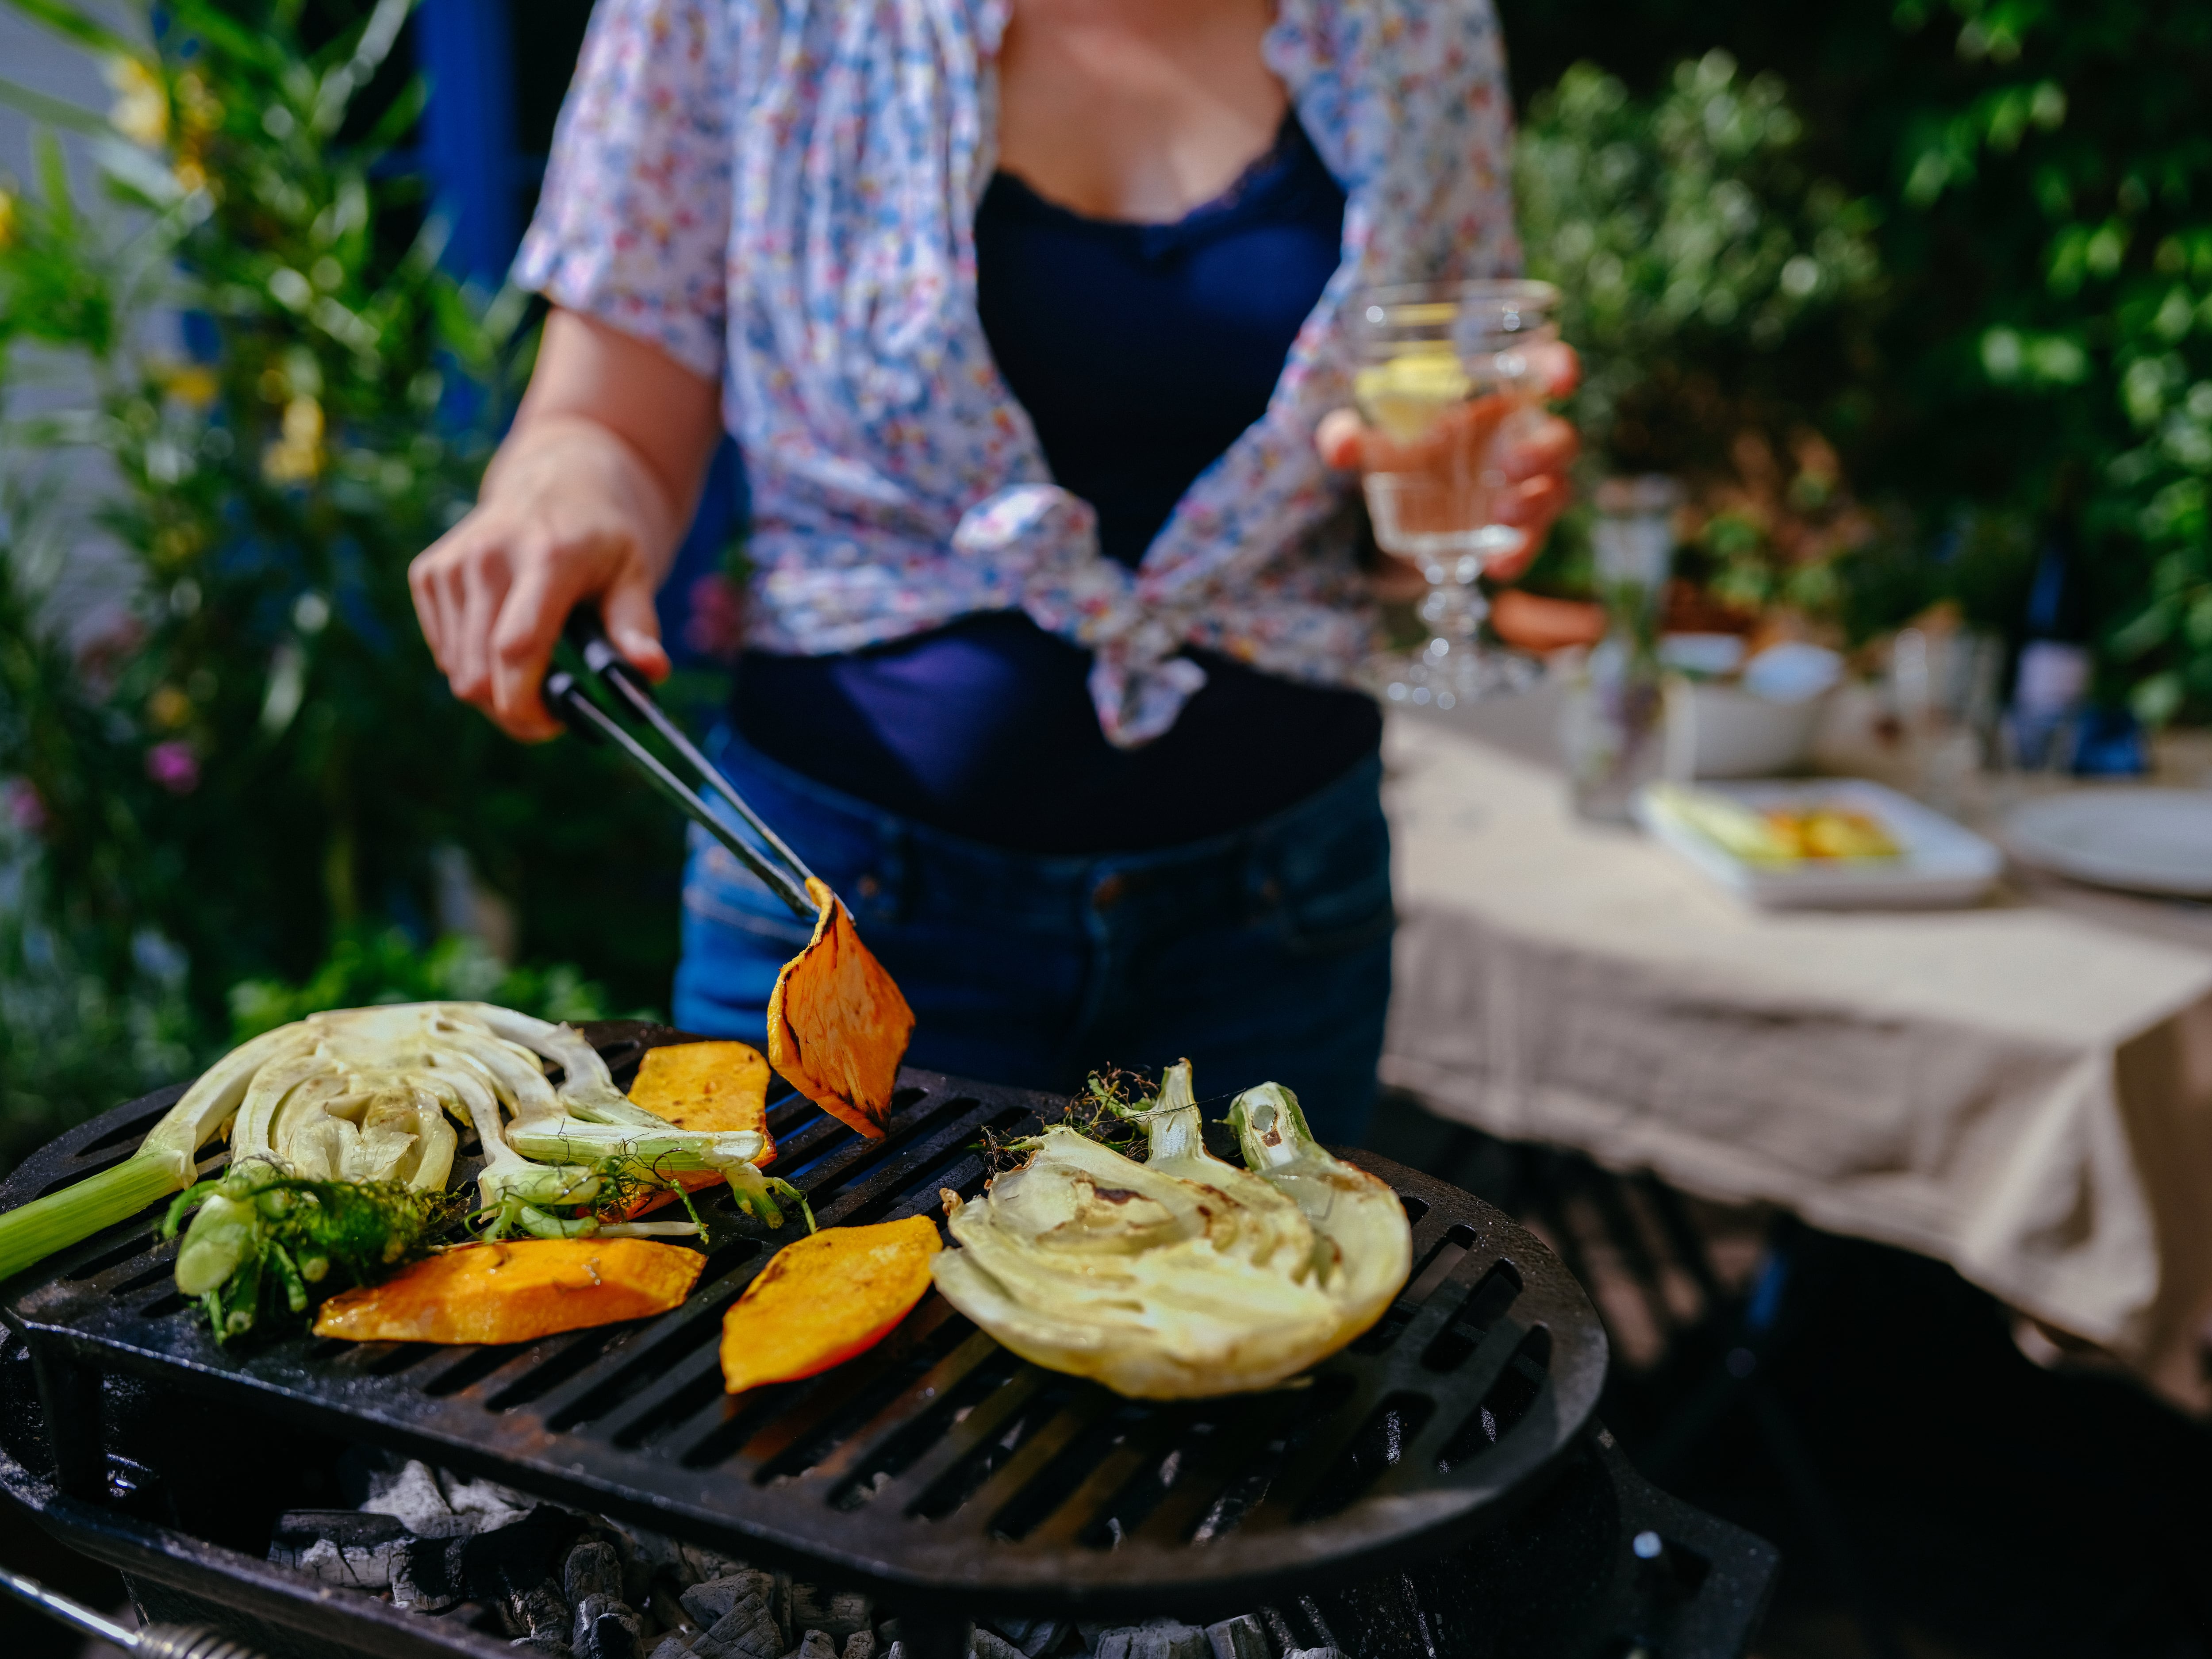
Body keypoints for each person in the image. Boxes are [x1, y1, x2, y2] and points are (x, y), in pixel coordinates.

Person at [408, 0, 1576, 1144]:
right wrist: (557, 496)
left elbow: (1434, 421)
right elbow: (607, 424)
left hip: (1278, 921)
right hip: (844, 919)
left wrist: (1448, 504)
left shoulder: (1416, 24)